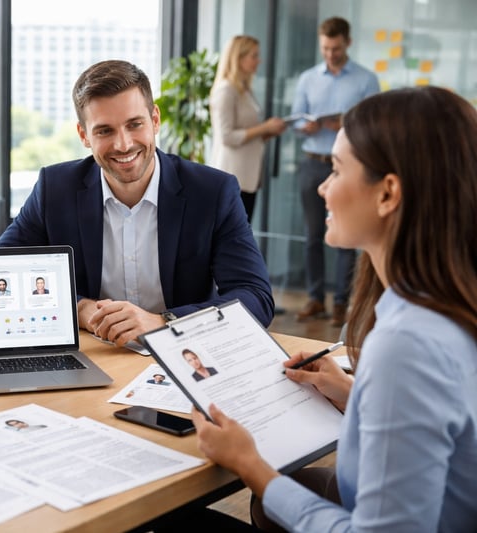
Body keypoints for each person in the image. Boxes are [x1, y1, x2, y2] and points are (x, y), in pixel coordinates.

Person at [184, 87, 477, 531]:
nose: (322, 186)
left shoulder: (406, 345)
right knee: (276, 501)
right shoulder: (447, 302)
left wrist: (252, 467)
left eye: (336, 170)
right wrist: (354, 394)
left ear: (388, 194)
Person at [0, 60, 274, 348]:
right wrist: (80, 308)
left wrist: (164, 322)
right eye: (105, 131)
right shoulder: (55, 188)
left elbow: (255, 298)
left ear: (155, 120)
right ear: (84, 136)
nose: (124, 144)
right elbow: (0, 273)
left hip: (185, 353)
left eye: (134, 124)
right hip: (97, 355)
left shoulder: (213, 192)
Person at [291, 16, 380, 327]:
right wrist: (308, 126)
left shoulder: (367, 80)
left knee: (348, 233)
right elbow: (296, 122)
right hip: (312, 162)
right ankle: (315, 298)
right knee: (313, 236)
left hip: (350, 168)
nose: (331, 54)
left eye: (337, 48)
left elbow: (374, 125)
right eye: (326, 48)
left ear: (348, 43)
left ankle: (341, 302)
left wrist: (347, 123)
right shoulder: (307, 79)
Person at [210, 35, 286, 223]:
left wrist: (267, 132)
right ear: (239, 58)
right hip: (233, 175)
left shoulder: (243, 89)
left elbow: (247, 133)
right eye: (254, 56)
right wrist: (264, 127)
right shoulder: (226, 90)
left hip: (247, 177)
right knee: (231, 237)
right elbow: (227, 136)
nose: (258, 61)